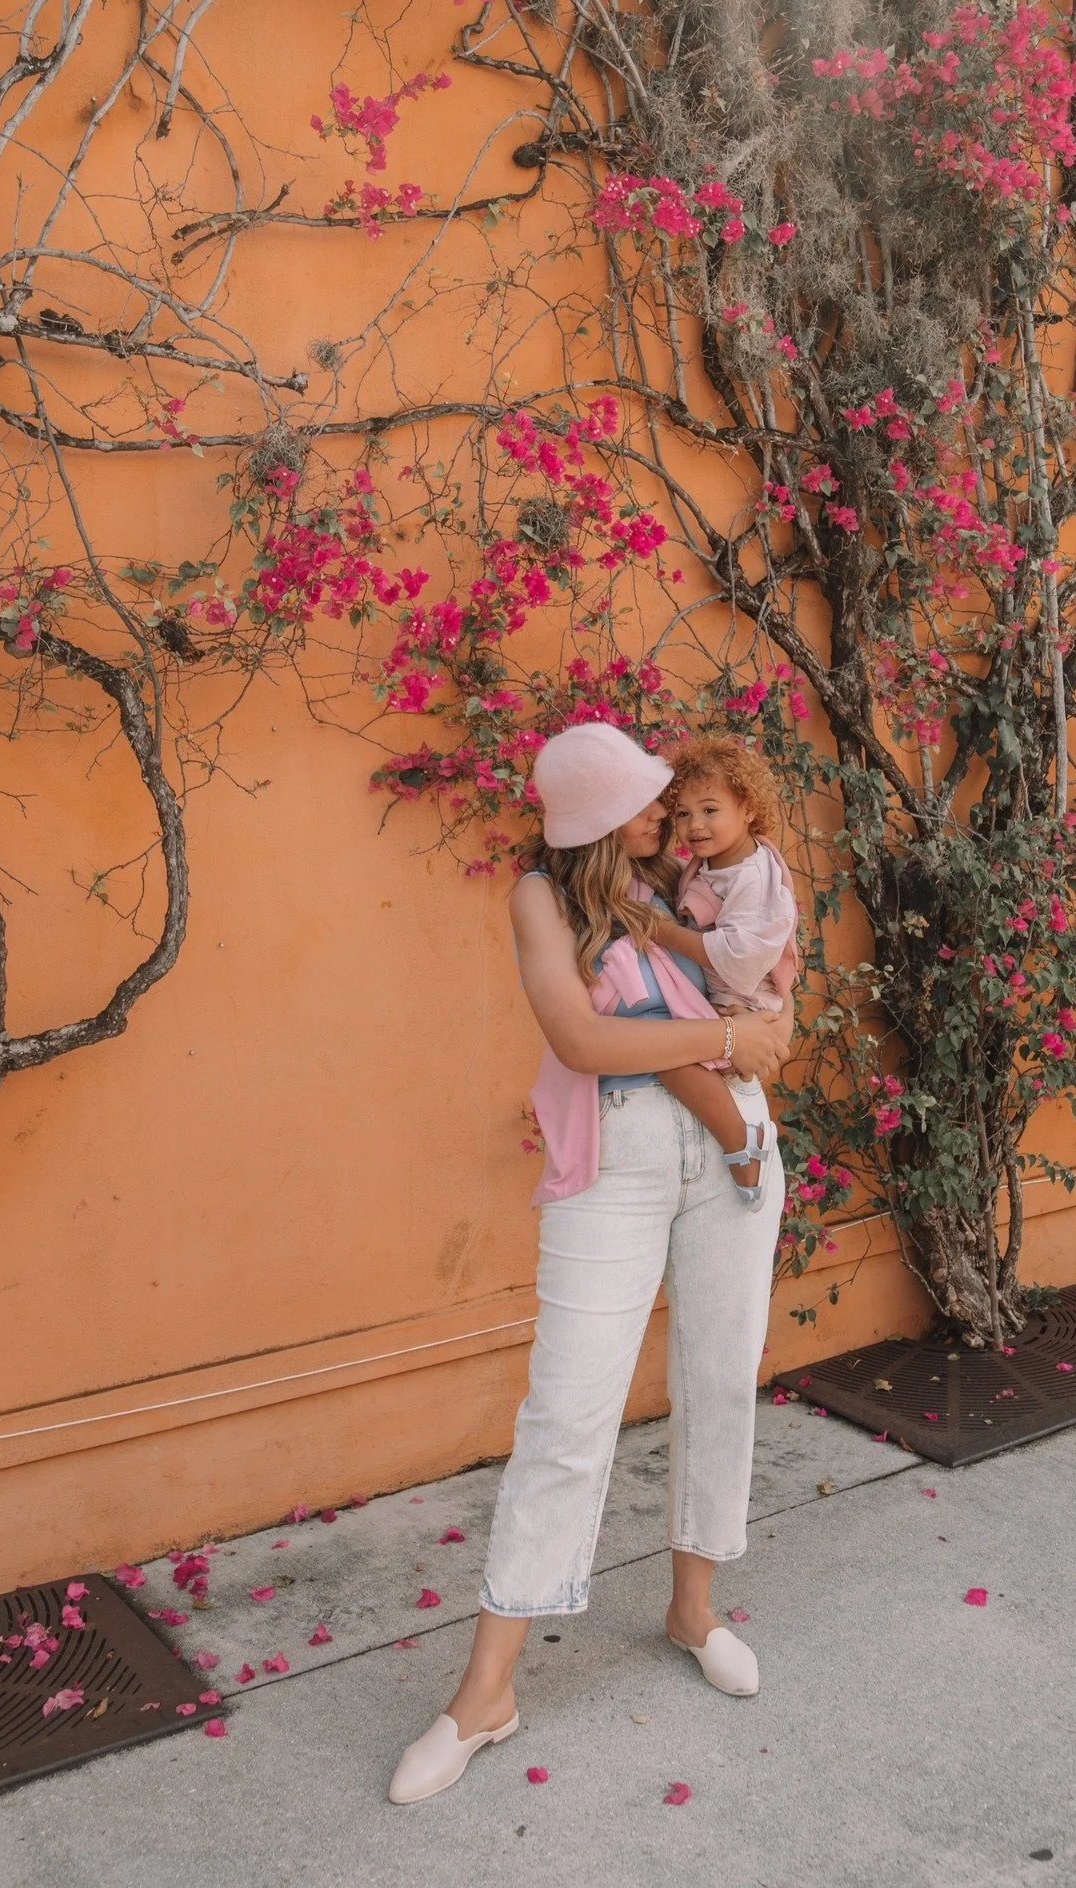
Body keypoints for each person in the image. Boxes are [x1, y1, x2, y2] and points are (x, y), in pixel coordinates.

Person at [388, 721, 794, 1805]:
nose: (670, 813)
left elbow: (768, 983)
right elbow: (581, 1040)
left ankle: (691, 1607)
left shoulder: (701, 875)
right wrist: (720, 1042)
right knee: (566, 1412)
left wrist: (757, 1030)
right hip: (613, 1155)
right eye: (650, 800)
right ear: (600, 815)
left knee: (718, 1375)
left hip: (733, 1145)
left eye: (669, 799)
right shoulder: (542, 897)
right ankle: (485, 1691)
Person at [649, 734, 799, 1208]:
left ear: (748, 808)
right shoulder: (716, 863)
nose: (694, 825)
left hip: (746, 997)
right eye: (683, 813)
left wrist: (664, 933)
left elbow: (740, 958)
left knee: (673, 1061)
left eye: (710, 810)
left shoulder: (752, 877)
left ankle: (742, 1145)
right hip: (733, 996)